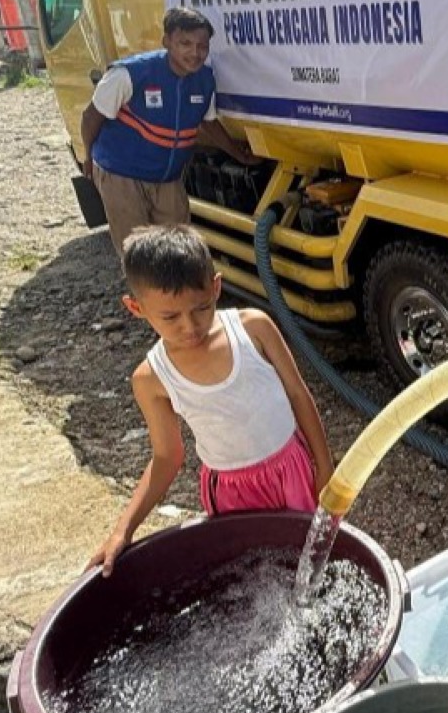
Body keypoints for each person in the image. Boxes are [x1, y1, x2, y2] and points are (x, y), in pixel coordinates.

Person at [89, 226, 334, 575]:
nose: (190, 326)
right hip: (231, 494)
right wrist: (123, 529)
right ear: (136, 307)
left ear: (216, 287)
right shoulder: (151, 378)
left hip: (291, 467)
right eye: (170, 317)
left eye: (201, 308)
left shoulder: (254, 328)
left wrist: (324, 468)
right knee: (253, 574)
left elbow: (298, 393)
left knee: (311, 558)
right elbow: (166, 457)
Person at [80, 7, 256, 253]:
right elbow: (90, 116)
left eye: (202, 46)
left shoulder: (204, 80)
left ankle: (176, 292)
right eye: (185, 43)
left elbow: (208, 122)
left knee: (180, 250)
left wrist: (237, 153)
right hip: (122, 175)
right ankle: (143, 293)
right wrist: (88, 157)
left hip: (167, 177)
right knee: (138, 253)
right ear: (167, 42)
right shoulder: (130, 74)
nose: (195, 53)